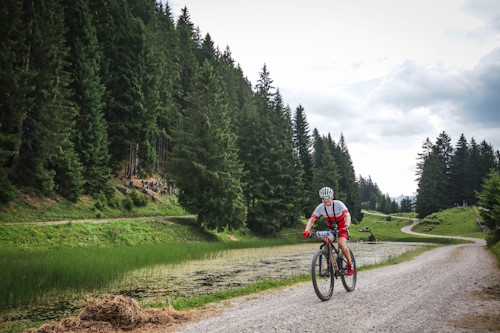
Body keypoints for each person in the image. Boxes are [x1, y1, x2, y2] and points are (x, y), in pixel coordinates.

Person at [303, 186, 354, 276]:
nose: (326, 200)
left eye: (327, 198)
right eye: (323, 198)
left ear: (332, 197)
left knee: (341, 244)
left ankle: (350, 264)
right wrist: (307, 230)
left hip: (342, 227)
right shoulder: (320, 207)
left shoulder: (339, 204)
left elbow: (347, 215)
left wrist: (346, 226)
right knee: (327, 241)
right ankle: (329, 266)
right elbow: (311, 220)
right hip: (331, 228)